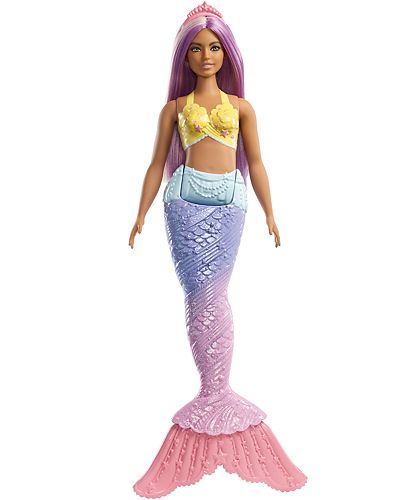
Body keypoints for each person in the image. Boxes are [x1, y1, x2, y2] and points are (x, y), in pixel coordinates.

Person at [129, 2, 307, 496]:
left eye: (213, 48)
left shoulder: (242, 108)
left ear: (225, 53)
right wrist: (141, 213)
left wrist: (270, 212)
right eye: (195, 49)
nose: (205, 56)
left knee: (217, 295)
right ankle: (212, 392)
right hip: (184, 205)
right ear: (184, 57)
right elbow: (155, 164)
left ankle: (218, 393)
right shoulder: (174, 110)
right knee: (198, 296)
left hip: (229, 205)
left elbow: (257, 162)